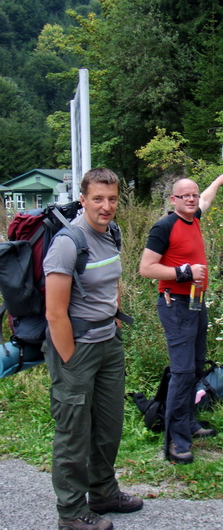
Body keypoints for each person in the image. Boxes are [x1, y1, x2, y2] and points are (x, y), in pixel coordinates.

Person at [43, 168, 143, 530]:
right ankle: (71, 513)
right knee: (73, 432)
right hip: (76, 350)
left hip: (108, 344)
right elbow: (55, 313)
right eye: (98, 199)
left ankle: (103, 492)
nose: (106, 206)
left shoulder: (112, 233)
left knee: (108, 426)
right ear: (82, 199)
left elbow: (113, 280)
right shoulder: (69, 242)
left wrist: (115, 318)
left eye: (112, 199)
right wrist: (70, 360)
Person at [139, 170, 223, 464]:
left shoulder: (194, 218)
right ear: (173, 199)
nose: (192, 199)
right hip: (174, 304)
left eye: (193, 194)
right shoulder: (165, 226)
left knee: (194, 366)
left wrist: (218, 181)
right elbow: (146, 268)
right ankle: (174, 442)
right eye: (185, 196)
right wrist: (184, 272)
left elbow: (205, 199)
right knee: (181, 374)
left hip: (195, 302)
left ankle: (189, 424)